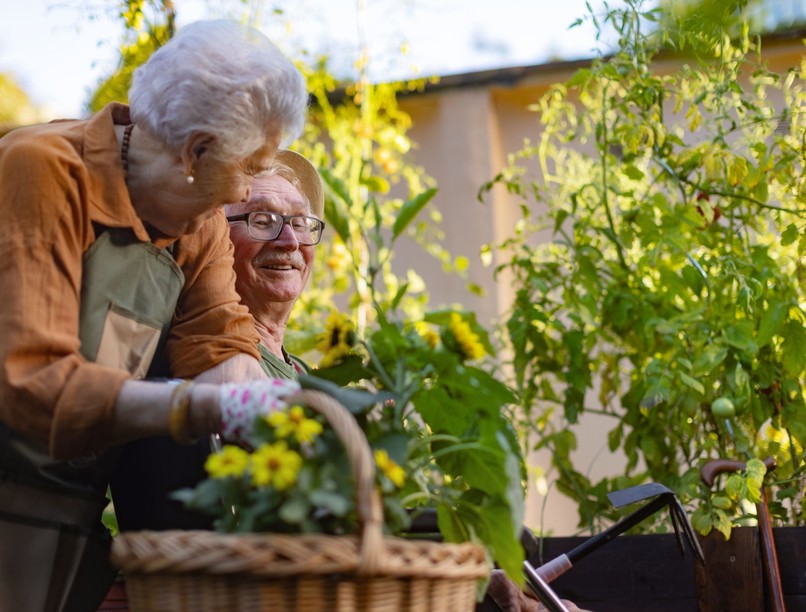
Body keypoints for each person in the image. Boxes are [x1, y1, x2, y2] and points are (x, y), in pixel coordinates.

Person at [0, 19, 308, 611]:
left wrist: (271, 415)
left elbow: (220, 341)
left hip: (61, 529)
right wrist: (193, 405)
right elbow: (30, 381)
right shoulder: (43, 170)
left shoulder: (198, 228)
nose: (245, 193)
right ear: (194, 150)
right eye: (250, 165)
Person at [225, 149, 324, 380]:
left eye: (300, 223)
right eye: (262, 221)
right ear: (215, 236)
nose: (290, 242)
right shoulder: (220, 361)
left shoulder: (306, 375)